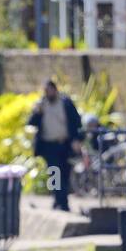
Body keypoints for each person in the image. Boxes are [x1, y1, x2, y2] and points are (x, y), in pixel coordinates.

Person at [27, 80, 83, 211]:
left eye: (49, 90)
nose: (48, 93)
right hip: (49, 145)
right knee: (54, 173)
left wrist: (76, 140)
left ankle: (62, 201)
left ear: (55, 90)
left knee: (64, 173)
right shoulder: (42, 105)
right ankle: (59, 201)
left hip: (64, 144)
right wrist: (37, 111)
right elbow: (31, 123)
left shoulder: (66, 103)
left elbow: (76, 122)